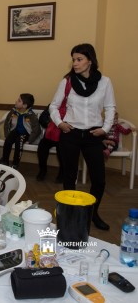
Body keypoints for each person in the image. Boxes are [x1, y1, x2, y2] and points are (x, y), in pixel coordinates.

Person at [49, 43, 116, 231]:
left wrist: (105, 128)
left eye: (79, 59)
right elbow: (53, 106)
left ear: (90, 60)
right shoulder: (67, 81)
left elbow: (110, 107)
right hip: (70, 134)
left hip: (93, 135)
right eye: (73, 59)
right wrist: (60, 123)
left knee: (99, 179)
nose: (75, 63)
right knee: (69, 177)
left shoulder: (105, 82)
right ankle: (70, 214)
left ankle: (93, 213)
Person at [0, 94, 41, 169]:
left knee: (19, 142)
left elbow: (37, 129)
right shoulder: (13, 111)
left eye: (19, 100)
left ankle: (15, 164)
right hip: (15, 131)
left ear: (24, 105)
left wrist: (30, 140)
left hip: (26, 134)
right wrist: (7, 134)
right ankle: (4, 162)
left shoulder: (31, 115)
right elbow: (6, 123)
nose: (16, 101)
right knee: (8, 140)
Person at [36, 108, 64, 182]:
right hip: (50, 135)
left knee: (62, 149)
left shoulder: (72, 104)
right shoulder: (53, 104)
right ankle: (43, 171)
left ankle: (62, 173)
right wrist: (49, 123)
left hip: (64, 136)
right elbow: (42, 117)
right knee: (42, 146)